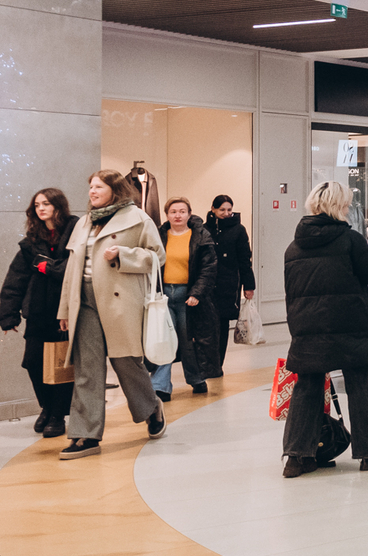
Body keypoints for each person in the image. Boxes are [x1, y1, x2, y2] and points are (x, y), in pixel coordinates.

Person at [282, 181, 368, 477]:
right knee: (360, 386)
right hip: (350, 325)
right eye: (346, 204)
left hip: (307, 327)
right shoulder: (349, 240)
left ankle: (298, 457)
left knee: (307, 389)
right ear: (338, 206)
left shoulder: (293, 247)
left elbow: (292, 293)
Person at [56, 170, 167, 460]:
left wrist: (123, 254)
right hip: (85, 301)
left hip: (121, 301)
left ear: (114, 189)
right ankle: (85, 433)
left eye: (98, 187)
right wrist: (65, 308)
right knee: (87, 369)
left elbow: (157, 256)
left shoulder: (138, 218)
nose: (92, 191)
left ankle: (151, 407)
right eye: (90, 186)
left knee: (127, 363)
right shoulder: (84, 222)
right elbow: (72, 267)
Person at [0, 188, 78, 438]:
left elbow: (73, 268)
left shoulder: (76, 231)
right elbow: (15, 279)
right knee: (33, 362)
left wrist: (47, 266)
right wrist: (8, 314)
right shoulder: (32, 240)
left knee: (61, 365)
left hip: (65, 312)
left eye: (46, 204)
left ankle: (58, 415)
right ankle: (46, 407)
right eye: (37, 205)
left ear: (58, 206)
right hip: (37, 311)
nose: (41, 208)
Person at [152, 198, 220, 400]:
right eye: (173, 211)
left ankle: (196, 378)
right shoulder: (159, 235)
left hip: (187, 296)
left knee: (187, 339)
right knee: (165, 341)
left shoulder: (200, 236)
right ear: (167, 215)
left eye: (182, 211)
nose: (178, 215)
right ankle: (161, 386)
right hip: (163, 295)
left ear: (189, 214)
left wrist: (196, 293)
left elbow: (209, 268)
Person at [205, 195, 255, 368]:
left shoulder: (238, 230)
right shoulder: (205, 229)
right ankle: (208, 362)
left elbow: (245, 259)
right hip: (208, 283)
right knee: (207, 323)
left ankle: (218, 363)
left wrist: (249, 285)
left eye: (229, 210)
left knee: (222, 322)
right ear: (213, 209)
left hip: (229, 283)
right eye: (222, 210)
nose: (226, 213)